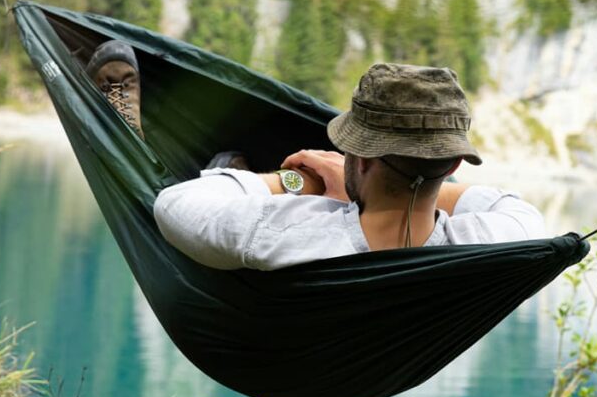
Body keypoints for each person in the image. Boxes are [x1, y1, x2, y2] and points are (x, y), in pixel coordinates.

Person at [87, 42, 547, 270]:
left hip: (254, 326)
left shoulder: (279, 232)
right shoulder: (488, 245)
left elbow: (173, 205)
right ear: (453, 165)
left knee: (193, 176)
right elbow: (513, 207)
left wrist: (297, 184)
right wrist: (414, 180)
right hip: (372, 360)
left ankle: (131, 140)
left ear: (358, 156)